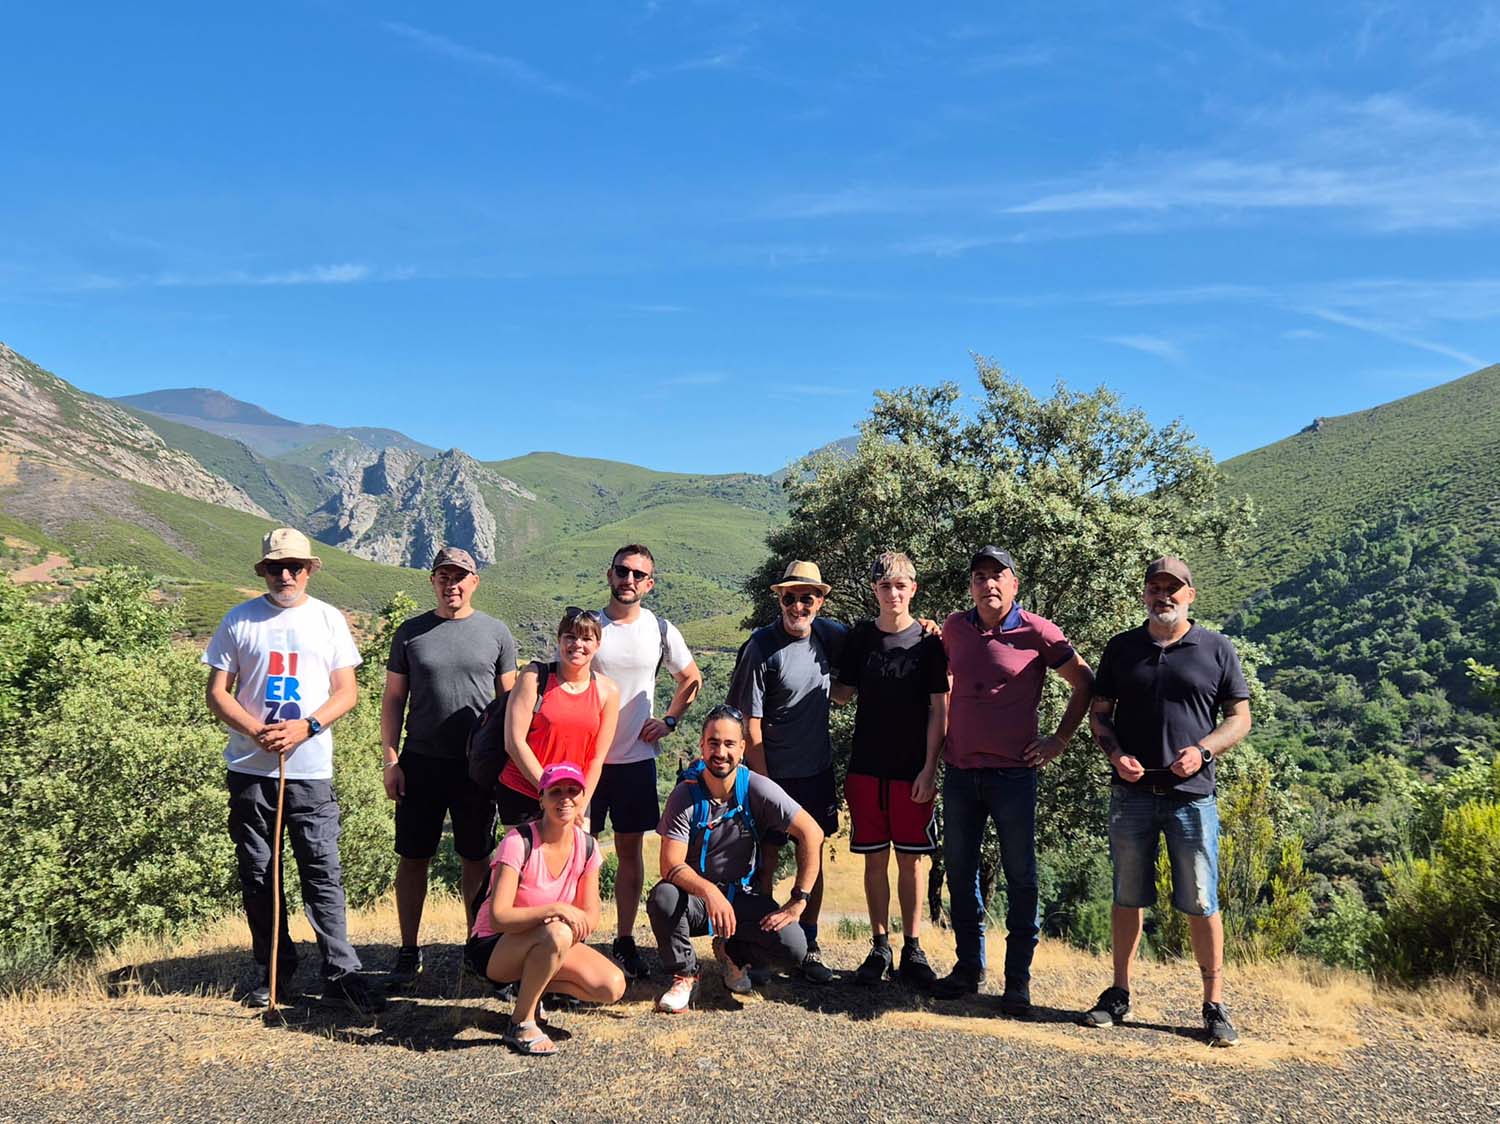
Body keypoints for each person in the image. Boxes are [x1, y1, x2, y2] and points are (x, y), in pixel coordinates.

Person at [203, 527, 380, 1012]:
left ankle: (342, 971)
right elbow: (218, 692)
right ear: (263, 571)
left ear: (309, 570)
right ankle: (275, 968)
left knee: (322, 870)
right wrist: (256, 729)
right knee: (260, 874)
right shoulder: (239, 620)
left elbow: (347, 692)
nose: (286, 575)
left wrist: (308, 726)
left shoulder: (328, 620)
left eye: (295, 567)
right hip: (250, 769)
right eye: (277, 567)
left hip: (310, 771)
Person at [1083, 557, 1252, 1047]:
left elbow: (1239, 719)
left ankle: (1214, 1005)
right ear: (1144, 595)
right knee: (1127, 897)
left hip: (1191, 799)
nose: (1164, 596)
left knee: (1201, 902)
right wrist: (1116, 756)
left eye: (1173, 589)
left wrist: (1202, 752)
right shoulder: (1122, 648)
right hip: (1131, 795)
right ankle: (1118, 994)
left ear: (1190, 595)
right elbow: (1099, 715)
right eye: (1155, 588)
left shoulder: (1217, 648)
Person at [935, 545, 1094, 1015]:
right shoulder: (954, 628)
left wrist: (1059, 740)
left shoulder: (1038, 632)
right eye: (980, 576)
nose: (989, 584)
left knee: (1022, 876)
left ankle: (1017, 981)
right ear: (971, 587)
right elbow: (941, 679)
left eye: (997, 575)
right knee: (961, 873)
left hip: (1013, 775)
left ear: (1014, 584)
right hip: (961, 772)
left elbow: (1084, 682)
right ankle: (968, 967)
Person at [380, 545, 519, 988]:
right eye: (444, 575)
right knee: (413, 857)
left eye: (460, 576)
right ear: (433, 581)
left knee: (475, 856)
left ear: (475, 581)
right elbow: (393, 699)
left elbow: (512, 705)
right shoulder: (410, 633)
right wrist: (391, 759)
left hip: (477, 767)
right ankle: (407, 949)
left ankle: (473, 946)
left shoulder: (497, 633)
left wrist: (508, 764)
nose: (452, 584)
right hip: (420, 761)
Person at [647, 705, 825, 1012]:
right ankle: (686, 974)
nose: (721, 752)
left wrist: (799, 900)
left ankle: (732, 952)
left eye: (729, 744)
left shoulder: (756, 787)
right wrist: (709, 891)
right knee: (663, 897)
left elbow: (812, 832)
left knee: (793, 948)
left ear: (742, 749)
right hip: (695, 900)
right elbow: (670, 865)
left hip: (740, 899)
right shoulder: (686, 794)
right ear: (702, 746)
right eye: (713, 743)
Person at [831, 552, 948, 988]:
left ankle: (913, 948)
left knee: (913, 862)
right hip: (865, 766)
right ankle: (880, 946)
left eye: (901, 586)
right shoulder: (860, 638)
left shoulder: (930, 643)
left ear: (913, 589)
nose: (893, 594)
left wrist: (930, 767)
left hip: (912, 770)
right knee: (874, 859)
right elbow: (841, 693)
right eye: (885, 587)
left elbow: (941, 709)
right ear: (875, 591)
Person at [586, 544, 702, 981]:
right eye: (622, 571)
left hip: (635, 761)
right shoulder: (590, 628)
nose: (629, 580)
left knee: (631, 854)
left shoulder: (659, 629)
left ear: (649, 584)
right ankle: (577, 940)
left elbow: (691, 678)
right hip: (586, 763)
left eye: (639, 575)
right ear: (610, 573)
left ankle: (623, 940)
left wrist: (670, 720)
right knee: (580, 853)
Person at [728, 559, 846, 983]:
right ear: (779, 599)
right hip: (771, 773)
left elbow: (880, 639)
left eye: (808, 597)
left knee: (811, 855)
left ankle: (809, 944)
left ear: (820, 601)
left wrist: (928, 627)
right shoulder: (761, 647)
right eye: (791, 597)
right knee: (765, 857)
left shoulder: (831, 636)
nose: (799, 605)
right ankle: (760, 948)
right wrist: (762, 784)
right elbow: (749, 723)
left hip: (815, 769)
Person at [466, 762, 627, 1056]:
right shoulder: (519, 842)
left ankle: (531, 990)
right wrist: (556, 910)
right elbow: (499, 917)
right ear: (541, 798)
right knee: (557, 932)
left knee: (611, 987)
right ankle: (521, 1022)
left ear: (583, 797)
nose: (565, 798)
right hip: (494, 947)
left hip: (550, 939)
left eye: (572, 791)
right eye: (555, 791)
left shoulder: (588, 847)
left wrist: (564, 922)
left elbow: (590, 917)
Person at [497, 607, 620, 828]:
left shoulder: (608, 692)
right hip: (523, 792)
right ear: (559, 640)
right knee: (524, 860)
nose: (577, 645)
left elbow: (596, 758)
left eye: (586, 638)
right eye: (570, 637)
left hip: (572, 798)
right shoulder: (534, 677)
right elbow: (514, 743)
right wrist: (547, 789)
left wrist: (580, 804)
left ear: (597, 645)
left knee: (574, 861)